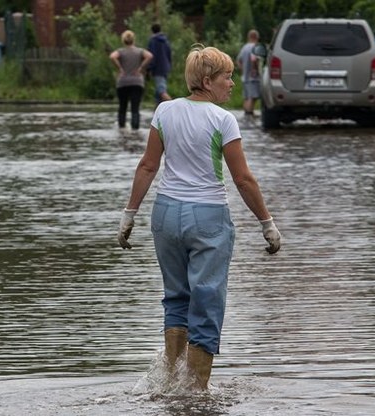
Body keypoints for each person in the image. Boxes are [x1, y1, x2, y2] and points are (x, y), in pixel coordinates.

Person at [117, 45, 282, 390]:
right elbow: (243, 179)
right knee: (207, 299)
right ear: (208, 81)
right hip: (207, 218)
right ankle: (194, 391)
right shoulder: (223, 119)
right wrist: (267, 223)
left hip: (165, 216)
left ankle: (170, 381)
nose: (232, 83)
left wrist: (128, 215)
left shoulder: (164, 111)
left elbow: (148, 166)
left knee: (176, 297)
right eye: (227, 76)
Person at [109, 30, 153, 130]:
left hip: (123, 82)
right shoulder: (140, 51)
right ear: (133, 40)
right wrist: (141, 68)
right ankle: (135, 131)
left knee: (122, 108)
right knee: (135, 109)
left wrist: (120, 68)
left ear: (123, 40)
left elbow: (112, 56)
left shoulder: (121, 51)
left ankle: (122, 129)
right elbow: (150, 56)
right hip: (137, 82)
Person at [236, 29, 261, 117]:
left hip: (245, 77)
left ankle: (246, 115)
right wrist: (257, 71)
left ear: (249, 37)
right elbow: (255, 60)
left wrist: (243, 70)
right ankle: (250, 115)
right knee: (252, 97)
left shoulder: (245, 47)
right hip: (253, 77)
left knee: (246, 97)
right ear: (256, 37)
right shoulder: (255, 47)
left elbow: (239, 61)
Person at [147, 23, 172, 105]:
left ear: (152, 31)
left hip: (157, 68)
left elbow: (152, 56)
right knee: (158, 93)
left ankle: (173, 105)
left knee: (161, 91)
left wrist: (149, 69)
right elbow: (169, 54)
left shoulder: (153, 41)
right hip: (165, 67)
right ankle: (157, 114)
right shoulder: (166, 41)